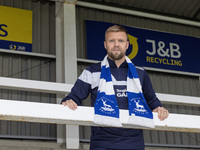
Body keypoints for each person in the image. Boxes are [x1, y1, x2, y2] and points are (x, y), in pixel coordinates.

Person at [61, 25, 169, 150]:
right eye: (112, 41)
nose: (116, 44)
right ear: (105, 44)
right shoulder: (91, 71)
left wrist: (159, 108)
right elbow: (74, 96)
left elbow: (152, 100)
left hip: (134, 143)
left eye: (121, 41)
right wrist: (69, 101)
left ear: (127, 45)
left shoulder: (140, 73)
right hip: (102, 143)